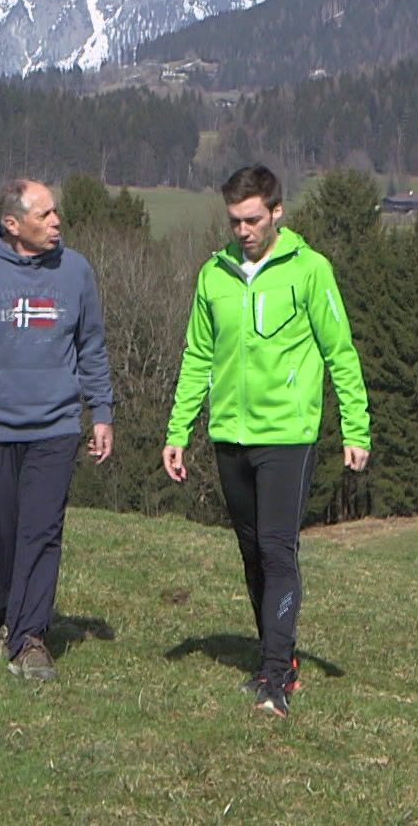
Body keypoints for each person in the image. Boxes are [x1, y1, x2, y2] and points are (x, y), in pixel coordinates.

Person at [162, 165, 370, 718]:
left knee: (279, 548)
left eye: (252, 219)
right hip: (229, 434)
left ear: (277, 212)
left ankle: (275, 677)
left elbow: (340, 352)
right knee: (252, 551)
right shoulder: (215, 275)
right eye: (234, 221)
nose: (243, 230)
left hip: (288, 435)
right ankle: (280, 655)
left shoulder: (310, 271)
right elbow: (196, 358)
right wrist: (177, 431)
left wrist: (357, 427)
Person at [0, 178, 115, 681]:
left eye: (57, 213)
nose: (57, 222)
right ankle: (6, 615)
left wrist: (100, 411)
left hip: (56, 425)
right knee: (3, 531)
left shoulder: (76, 272)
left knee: (42, 530)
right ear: (12, 225)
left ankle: (30, 638)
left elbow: (92, 347)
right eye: (45, 215)